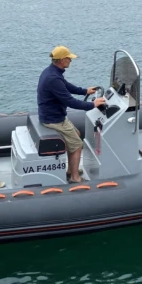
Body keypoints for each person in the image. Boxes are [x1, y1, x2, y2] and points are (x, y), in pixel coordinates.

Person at [37, 46, 106, 183]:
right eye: (69, 58)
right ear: (62, 60)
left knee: (76, 135)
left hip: (54, 116)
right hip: (54, 119)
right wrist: (93, 105)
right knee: (77, 144)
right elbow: (70, 101)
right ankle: (75, 177)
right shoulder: (53, 78)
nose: (71, 61)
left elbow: (67, 86)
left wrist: (85, 91)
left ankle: (70, 169)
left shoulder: (52, 72)